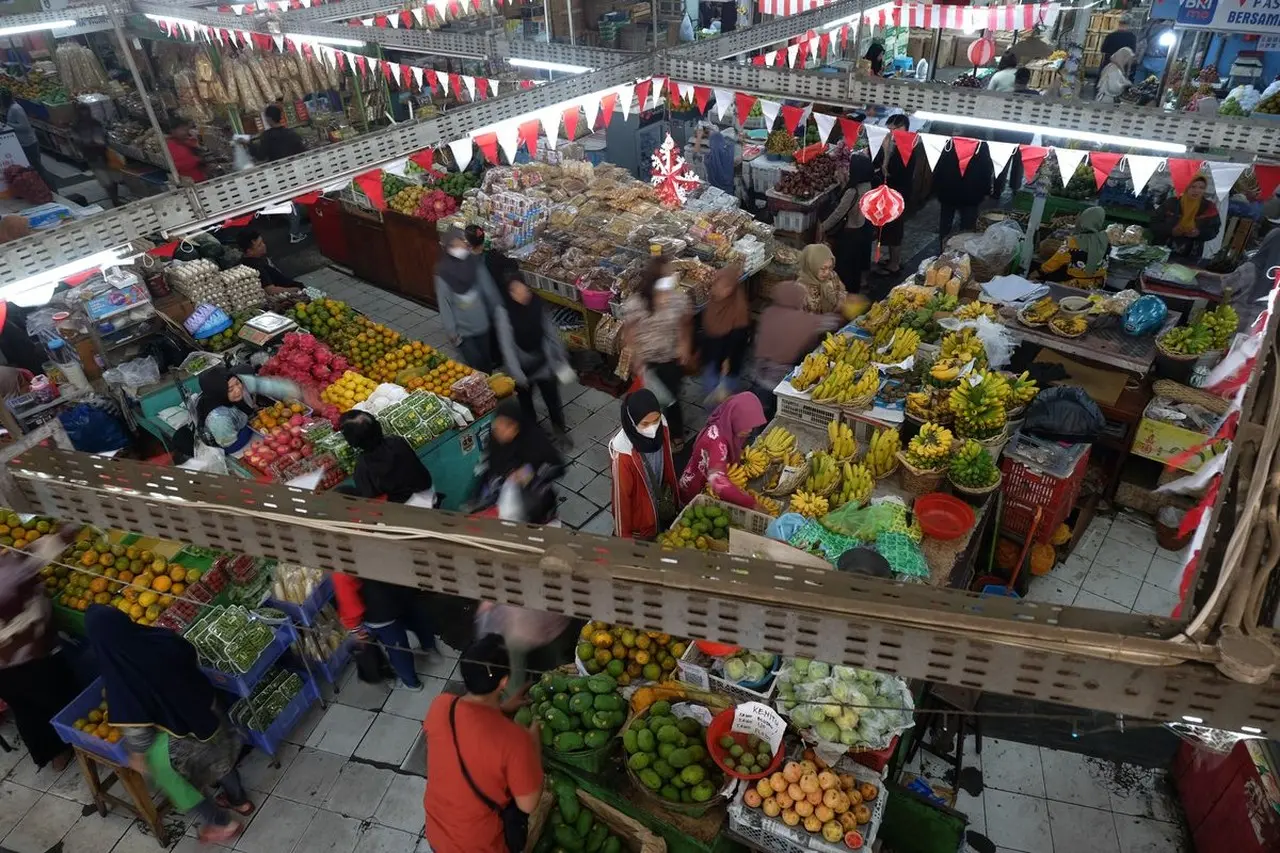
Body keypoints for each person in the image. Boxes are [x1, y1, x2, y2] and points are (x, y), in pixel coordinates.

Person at [85, 605, 252, 844]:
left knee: (173, 778)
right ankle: (240, 801)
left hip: (180, 734)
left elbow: (137, 730)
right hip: (206, 706)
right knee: (221, 757)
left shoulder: (120, 678)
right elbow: (188, 653)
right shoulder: (159, 638)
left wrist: (138, 757)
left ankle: (221, 823)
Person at [423, 633, 543, 853]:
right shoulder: (516, 741)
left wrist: (503, 708)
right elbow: (528, 804)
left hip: (437, 832)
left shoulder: (441, 707)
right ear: (504, 682)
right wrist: (534, 745)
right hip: (479, 845)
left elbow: (467, 733)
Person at [0, 529, 80, 775]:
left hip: (3, 668)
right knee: (58, 698)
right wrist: (72, 524)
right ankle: (81, 743)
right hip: (27, 656)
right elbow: (41, 551)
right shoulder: (6, 571)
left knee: (25, 709)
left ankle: (52, 754)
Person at [493, 271, 572, 443]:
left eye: (523, 290)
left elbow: (549, 331)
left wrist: (560, 354)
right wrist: (517, 374)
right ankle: (533, 435)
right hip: (522, 367)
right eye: (515, 292)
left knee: (553, 400)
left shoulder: (536, 303)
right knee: (526, 405)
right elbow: (507, 346)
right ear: (509, 294)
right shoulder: (504, 312)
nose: (521, 295)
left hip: (543, 361)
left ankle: (560, 431)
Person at [623, 256, 693, 449]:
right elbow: (629, 330)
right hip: (648, 361)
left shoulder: (677, 299)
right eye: (668, 274)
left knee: (672, 400)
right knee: (652, 401)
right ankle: (652, 431)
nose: (672, 277)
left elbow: (685, 323)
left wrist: (684, 345)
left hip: (671, 358)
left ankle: (676, 434)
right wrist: (634, 355)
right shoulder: (636, 303)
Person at [744, 282, 842, 417]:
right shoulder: (802, 320)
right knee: (772, 411)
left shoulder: (769, 313)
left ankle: (755, 427)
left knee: (757, 408)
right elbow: (830, 322)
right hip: (780, 377)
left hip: (759, 372)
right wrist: (843, 310)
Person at [333, 571, 437, 690]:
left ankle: (411, 683)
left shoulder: (341, 566)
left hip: (379, 611)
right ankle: (430, 649)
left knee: (398, 649)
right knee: (417, 621)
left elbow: (349, 600)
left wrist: (354, 627)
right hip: (402, 591)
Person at [609, 389, 681, 540]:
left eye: (655, 421)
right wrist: (624, 537)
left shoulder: (663, 427)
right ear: (632, 422)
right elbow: (621, 500)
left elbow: (668, 466)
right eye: (645, 424)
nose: (653, 428)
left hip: (662, 503)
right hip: (642, 523)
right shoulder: (623, 454)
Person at [481, 398, 566, 525]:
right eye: (498, 425)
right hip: (511, 507)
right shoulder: (495, 442)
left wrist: (527, 472)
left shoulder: (535, 440)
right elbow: (491, 469)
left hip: (539, 508)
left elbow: (558, 467)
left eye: (508, 425)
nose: (501, 430)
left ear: (517, 425)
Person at [678, 392, 767, 508]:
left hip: (713, 475)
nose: (749, 430)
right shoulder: (716, 440)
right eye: (746, 424)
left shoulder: (730, 426)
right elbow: (718, 482)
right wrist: (751, 504)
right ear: (735, 418)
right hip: (697, 489)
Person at [193, 365, 308, 451]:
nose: (238, 390)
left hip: (249, 423)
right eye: (230, 390)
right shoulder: (218, 418)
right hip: (229, 441)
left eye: (237, 384)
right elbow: (230, 446)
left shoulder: (235, 381)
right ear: (220, 392)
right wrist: (252, 428)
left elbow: (265, 384)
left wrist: (297, 391)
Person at [437, 226, 502, 372]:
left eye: (460, 242)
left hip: (481, 325)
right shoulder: (444, 273)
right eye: (454, 245)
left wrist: (497, 310)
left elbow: (488, 290)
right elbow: (444, 304)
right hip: (463, 333)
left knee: (485, 364)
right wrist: (452, 332)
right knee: (475, 365)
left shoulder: (474, 264)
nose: (459, 247)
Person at [340, 409, 435, 505]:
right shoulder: (397, 442)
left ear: (352, 442)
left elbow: (371, 501)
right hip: (428, 494)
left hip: (406, 509)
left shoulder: (363, 467)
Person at [249, 105, 308, 242]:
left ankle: (294, 231)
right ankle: (294, 230)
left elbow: (260, 156)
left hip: (277, 175)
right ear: (280, 117)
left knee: (290, 203)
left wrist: (249, 145)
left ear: (268, 119)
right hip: (293, 173)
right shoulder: (291, 134)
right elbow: (303, 151)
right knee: (293, 202)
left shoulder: (267, 137)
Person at [819, 153, 876, 293]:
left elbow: (839, 213)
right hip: (862, 230)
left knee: (845, 269)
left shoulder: (853, 191)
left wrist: (823, 227)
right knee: (855, 267)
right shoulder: (868, 185)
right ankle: (853, 292)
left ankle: (843, 296)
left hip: (849, 235)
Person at [873, 114, 917, 276]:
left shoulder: (904, 149)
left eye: (894, 128)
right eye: (889, 128)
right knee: (890, 228)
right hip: (894, 193)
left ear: (904, 128)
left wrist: (885, 154)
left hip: (897, 195)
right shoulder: (899, 144)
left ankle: (894, 264)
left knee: (894, 229)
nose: (890, 132)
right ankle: (892, 260)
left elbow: (890, 173)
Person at [699, 262, 749, 403]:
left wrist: (728, 360)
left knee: (725, 400)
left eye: (726, 287)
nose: (719, 290)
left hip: (727, 363)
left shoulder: (738, 309)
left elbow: (739, 339)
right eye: (717, 285)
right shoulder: (714, 300)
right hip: (712, 356)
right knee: (711, 393)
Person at [934, 144, 994, 253]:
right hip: (967, 192)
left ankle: (946, 253)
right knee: (965, 229)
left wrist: (936, 187)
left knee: (950, 226)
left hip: (954, 191)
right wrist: (986, 190)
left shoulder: (952, 143)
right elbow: (987, 168)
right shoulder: (980, 145)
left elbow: (939, 166)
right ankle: (957, 255)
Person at [1038, 205, 1110, 289]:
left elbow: (1054, 262)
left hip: (1074, 286)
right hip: (1097, 285)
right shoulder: (1105, 240)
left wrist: (1039, 272)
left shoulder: (1072, 243)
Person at [1152, 175, 1221, 260]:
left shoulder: (1209, 208)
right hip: (1162, 250)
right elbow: (1154, 223)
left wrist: (1198, 233)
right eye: (1193, 186)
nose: (1197, 191)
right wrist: (1171, 230)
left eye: (1201, 188)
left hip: (1191, 254)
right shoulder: (1171, 203)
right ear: (1186, 187)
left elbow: (1214, 230)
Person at [70, 104, 118, 207]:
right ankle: (115, 200)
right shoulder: (77, 126)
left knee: (112, 179)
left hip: (102, 154)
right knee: (107, 181)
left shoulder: (95, 123)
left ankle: (115, 198)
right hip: (94, 156)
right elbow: (78, 142)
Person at [236, 229, 304, 295]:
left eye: (262, 242)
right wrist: (296, 289)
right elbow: (270, 290)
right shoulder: (255, 267)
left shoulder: (254, 259)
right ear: (249, 251)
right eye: (259, 245)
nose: (264, 245)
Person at [794, 243, 845, 314]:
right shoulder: (800, 289)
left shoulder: (832, 275)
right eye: (823, 268)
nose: (827, 272)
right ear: (811, 266)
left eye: (830, 267)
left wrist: (841, 305)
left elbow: (841, 292)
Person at [2, 90, 41, 181]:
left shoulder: (16, 108)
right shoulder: (11, 108)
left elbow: (25, 126)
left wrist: (8, 124)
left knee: (38, 169)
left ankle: (51, 189)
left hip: (29, 143)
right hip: (23, 143)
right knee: (32, 168)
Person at [166, 117, 207, 184]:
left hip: (199, 179)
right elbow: (181, 164)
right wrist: (198, 159)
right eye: (182, 129)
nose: (186, 132)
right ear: (173, 131)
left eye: (186, 129)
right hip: (191, 183)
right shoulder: (172, 145)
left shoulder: (184, 141)